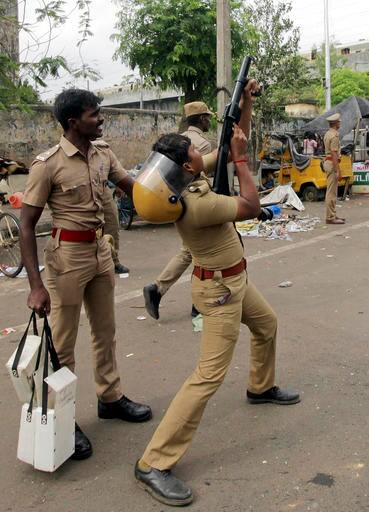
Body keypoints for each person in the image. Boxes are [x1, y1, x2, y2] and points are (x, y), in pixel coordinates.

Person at [134, 82, 300, 506]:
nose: (199, 152)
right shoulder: (195, 204)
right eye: (193, 153)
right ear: (185, 169)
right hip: (220, 290)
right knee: (207, 376)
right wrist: (242, 160)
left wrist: (243, 105)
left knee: (267, 325)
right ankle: (154, 461)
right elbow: (250, 206)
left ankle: (260, 388)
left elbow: (227, 139)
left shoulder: (185, 179)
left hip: (234, 280)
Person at [20, 89, 152, 461]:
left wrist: (171, 194)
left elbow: (132, 188)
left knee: (105, 332)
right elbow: (27, 225)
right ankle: (62, 418)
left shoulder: (103, 153)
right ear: (73, 123)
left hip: (99, 253)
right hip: (67, 258)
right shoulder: (47, 165)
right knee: (62, 345)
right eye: (95, 115)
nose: (101, 119)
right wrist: (35, 285)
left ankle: (110, 398)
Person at [143, 101, 214, 319]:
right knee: (205, 254)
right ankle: (197, 302)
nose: (209, 121)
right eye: (208, 117)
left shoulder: (178, 140)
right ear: (202, 119)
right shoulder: (201, 144)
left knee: (189, 251)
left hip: (176, 202)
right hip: (196, 200)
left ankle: (158, 288)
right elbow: (204, 171)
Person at [102, 184, 130, 274]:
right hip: (77, 192)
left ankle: (114, 262)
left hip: (101, 187)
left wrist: (119, 184)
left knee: (112, 225)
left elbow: (114, 171)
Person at [323, 113, 345, 225]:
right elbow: (334, 154)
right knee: (331, 192)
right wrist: (338, 170)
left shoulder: (328, 133)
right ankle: (330, 217)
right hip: (332, 163)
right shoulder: (334, 136)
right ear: (335, 123)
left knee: (332, 191)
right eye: (339, 121)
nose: (340, 123)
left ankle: (333, 214)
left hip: (328, 162)